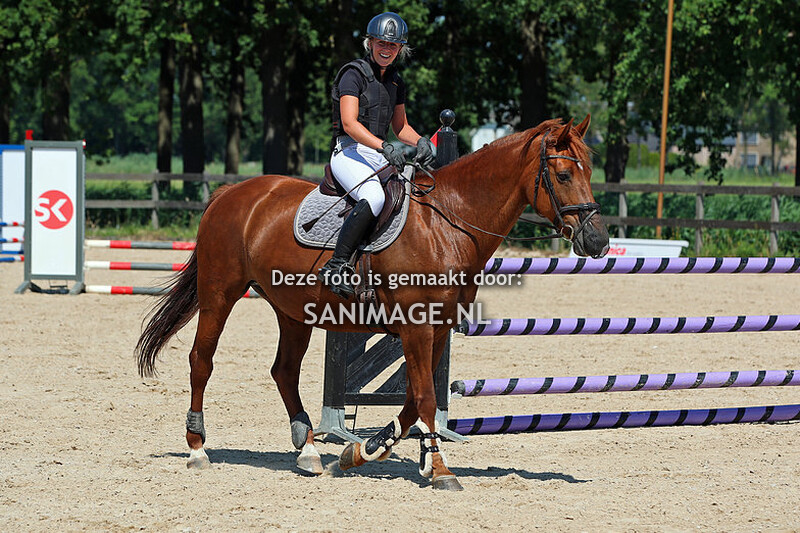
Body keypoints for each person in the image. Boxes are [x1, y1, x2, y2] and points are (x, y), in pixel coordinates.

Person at [319, 11, 436, 299]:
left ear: (400, 49)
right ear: (370, 42)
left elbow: (401, 127)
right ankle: (336, 265)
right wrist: (383, 146)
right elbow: (349, 123)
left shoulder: (396, 82)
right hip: (349, 151)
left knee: (413, 196)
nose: (386, 49)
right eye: (381, 43)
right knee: (374, 197)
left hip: (378, 152)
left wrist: (421, 141)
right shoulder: (353, 74)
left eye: (393, 46)